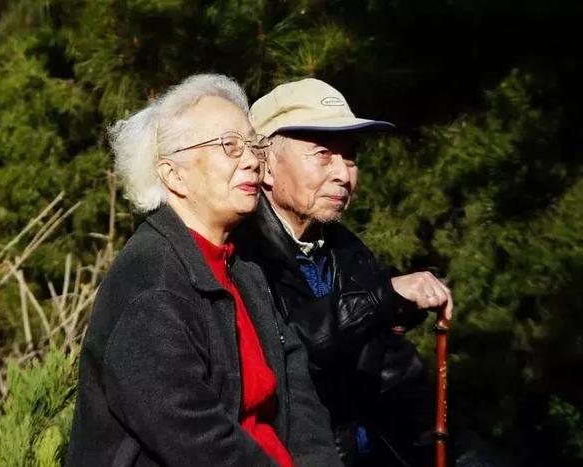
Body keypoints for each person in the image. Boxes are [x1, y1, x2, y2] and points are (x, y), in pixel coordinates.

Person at [67, 74, 342, 466]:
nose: (250, 160)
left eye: (252, 145)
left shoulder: (241, 266)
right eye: (229, 146)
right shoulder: (151, 283)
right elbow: (197, 442)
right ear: (172, 174)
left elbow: (296, 393)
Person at [233, 78, 454, 466]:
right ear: (265, 165)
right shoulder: (239, 253)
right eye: (322, 153)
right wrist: (381, 298)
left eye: (350, 156)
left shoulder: (348, 252)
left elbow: (397, 380)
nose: (343, 174)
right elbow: (281, 351)